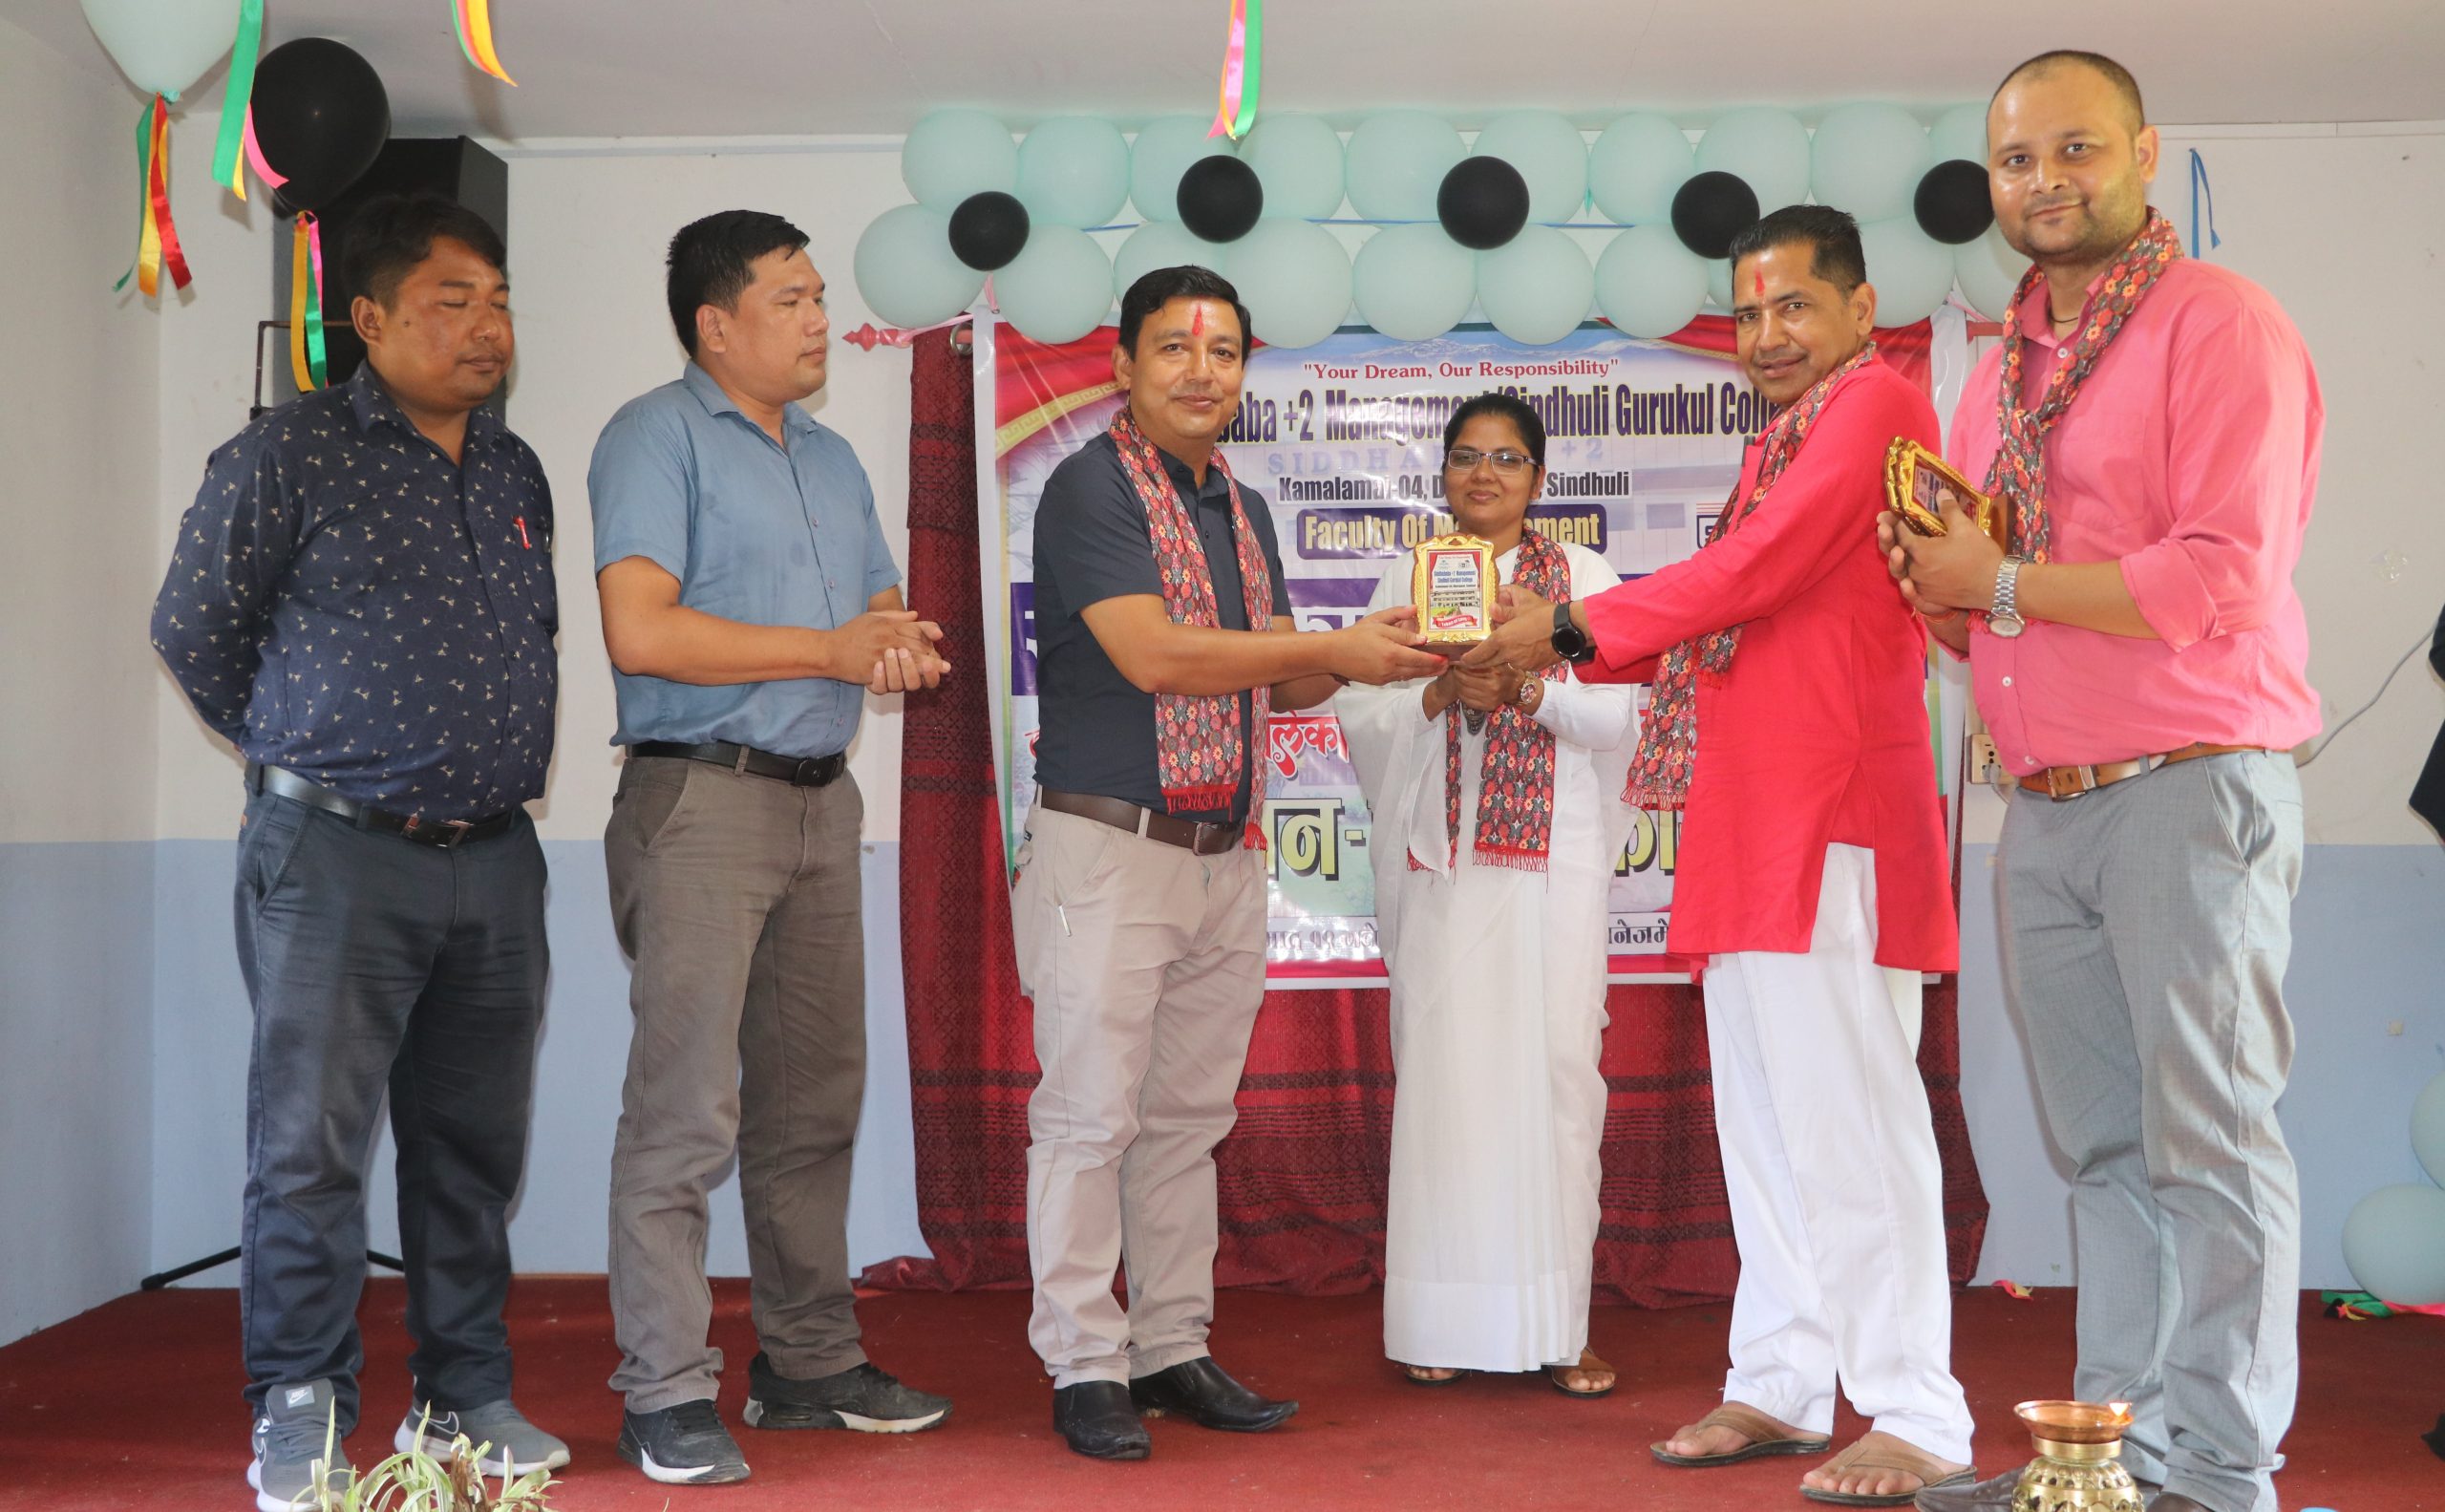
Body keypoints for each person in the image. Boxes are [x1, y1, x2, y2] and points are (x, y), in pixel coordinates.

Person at [1472, 205, 1975, 1506]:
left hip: (1829, 814)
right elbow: (1734, 608)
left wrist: (1568, 627)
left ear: (1860, 311)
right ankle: (1784, 1376)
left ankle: (1916, 1406)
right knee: (1766, 1121)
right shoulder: (1781, 438)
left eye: (1792, 306)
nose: (1766, 335)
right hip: (1750, 815)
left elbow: (1755, 570)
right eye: (1748, 313)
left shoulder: (1877, 406)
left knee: (1851, 1119)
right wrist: (1560, 643)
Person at [1888, 52, 2322, 1512]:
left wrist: (1996, 581)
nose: (2046, 181)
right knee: (2106, 1151)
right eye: (2018, 160)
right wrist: (1941, 585)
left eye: (2076, 149)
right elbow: (1981, 617)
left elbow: (2219, 577)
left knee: (2212, 1138)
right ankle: (2109, 1461)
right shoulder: (1998, 371)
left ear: (2143, 154)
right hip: (2045, 806)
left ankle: (2221, 1468)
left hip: (2189, 785)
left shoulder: (2219, 322)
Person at [150, 191, 570, 1510]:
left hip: (495, 857)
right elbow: (193, 628)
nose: (486, 325)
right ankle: (301, 1406)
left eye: (498, 301)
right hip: (334, 853)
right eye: (454, 301)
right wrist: (305, 754)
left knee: (471, 1149)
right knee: (311, 1149)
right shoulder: (287, 453)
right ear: (371, 318)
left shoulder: (512, 469)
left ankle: (465, 1389)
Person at [1019, 265, 1448, 1460]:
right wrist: (1329, 648)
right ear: (1123, 364)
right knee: (1089, 1115)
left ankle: (1168, 1342)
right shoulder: (1089, 487)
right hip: (1111, 849)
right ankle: (1082, 1358)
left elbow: (1282, 678)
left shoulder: (1241, 506)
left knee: (1186, 1119)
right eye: (1174, 348)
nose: (1201, 371)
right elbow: (1158, 656)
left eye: (1222, 352)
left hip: (1223, 851)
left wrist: (1388, 648)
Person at [589, 210, 953, 1487]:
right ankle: (664, 1388)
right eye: (789, 299)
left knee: (812, 1104)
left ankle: (806, 1361)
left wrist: (897, 642)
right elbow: (641, 630)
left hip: (819, 802)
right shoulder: (654, 435)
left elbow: (874, 609)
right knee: (685, 1109)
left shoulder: (834, 458)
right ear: (715, 324)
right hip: (701, 798)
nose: (816, 321)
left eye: (818, 298)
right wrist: (830, 649)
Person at [1337, 394, 1637, 1397]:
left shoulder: (1583, 579)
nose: (1484, 474)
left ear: (1538, 478)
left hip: (1554, 870)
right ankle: (1440, 1317)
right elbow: (1359, 711)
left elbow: (1617, 718)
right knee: (1446, 1080)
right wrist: (1435, 693)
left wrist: (1525, 690)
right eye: (1466, 455)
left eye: (1506, 458)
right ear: (1443, 473)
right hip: (1443, 870)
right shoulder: (1410, 576)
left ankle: (1563, 1326)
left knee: (1559, 1080)